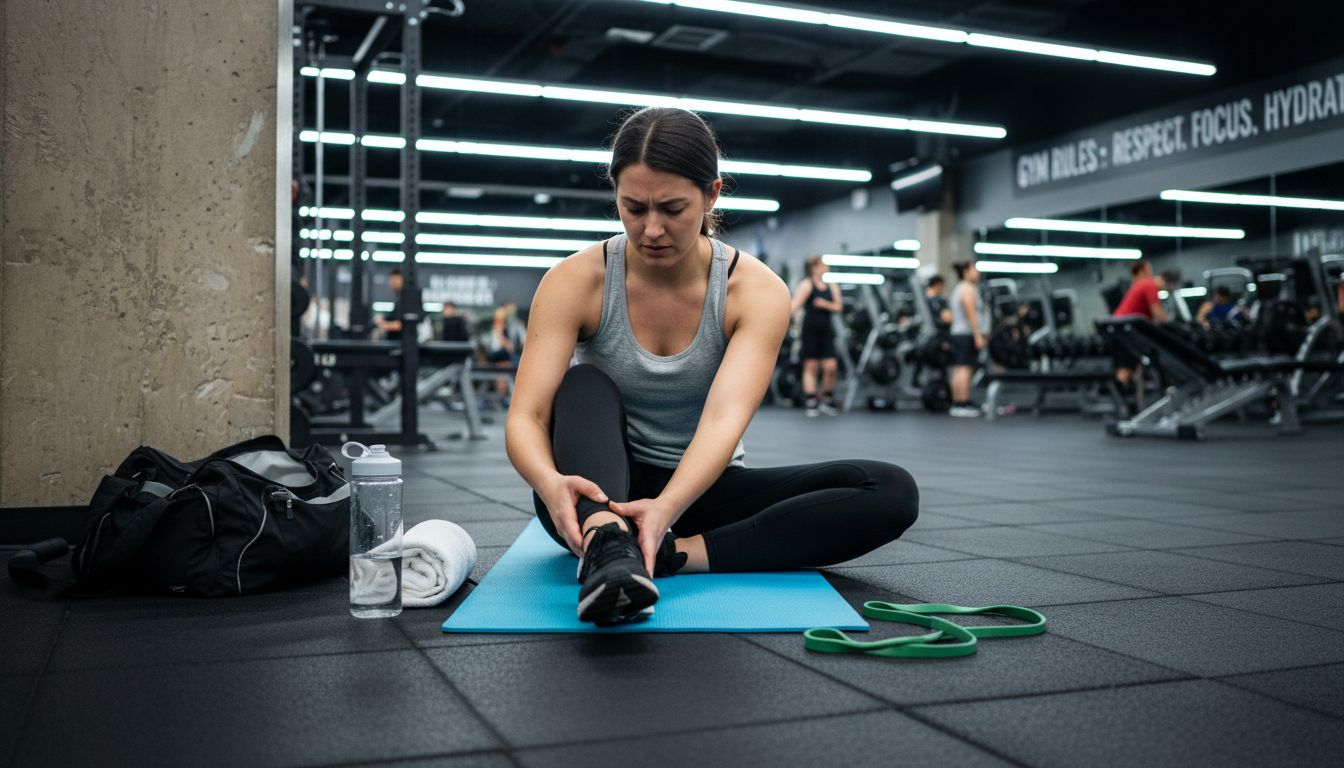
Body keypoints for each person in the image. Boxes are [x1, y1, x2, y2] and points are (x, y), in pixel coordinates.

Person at [504, 107, 918, 626]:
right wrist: (550, 484)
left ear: (712, 195)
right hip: (594, 494)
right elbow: (527, 416)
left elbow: (724, 419)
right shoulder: (574, 280)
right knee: (582, 383)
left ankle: (669, 554)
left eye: (672, 208)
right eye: (633, 207)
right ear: (615, 194)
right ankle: (607, 543)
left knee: (890, 491)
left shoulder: (755, 291)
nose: (651, 229)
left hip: (699, 491)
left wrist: (666, 510)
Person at [789, 255, 842, 417]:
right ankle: (812, 400)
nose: (825, 267)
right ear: (814, 268)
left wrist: (824, 304)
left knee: (831, 367)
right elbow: (794, 305)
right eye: (822, 265)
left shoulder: (832, 286)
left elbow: (838, 307)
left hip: (826, 330)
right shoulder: (806, 285)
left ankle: (826, 398)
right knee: (811, 366)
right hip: (810, 330)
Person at [1111, 260, 1168, 389]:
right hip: (1125, 329)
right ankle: (1122, 397)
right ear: (1142, 271)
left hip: (1120, 328)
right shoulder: (1148, 284)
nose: (1151, 272)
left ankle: (1127, 393)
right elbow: (1157, 312)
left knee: (1127, 368)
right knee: (1125, 371)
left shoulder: (1137, 285)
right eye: (1149, 269)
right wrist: (1170, 326)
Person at [948, 262, 986, 417]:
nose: (978, 274)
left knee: (959, 368)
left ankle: (957, 403)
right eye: (975, 270)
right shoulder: (968, 289)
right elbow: (970, 313)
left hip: (958, 333)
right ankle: (963, 403)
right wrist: (978, 335)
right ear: (966, 272)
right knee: (966, 368)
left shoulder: (958, 288)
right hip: (966, 334)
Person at [374, 269, 405, 342]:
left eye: (396, 279)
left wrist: (383, 325)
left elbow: (401, 325)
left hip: (401, 343)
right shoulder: (398, 299)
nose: (393, 282)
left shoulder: (407, 299)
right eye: (392, 280)